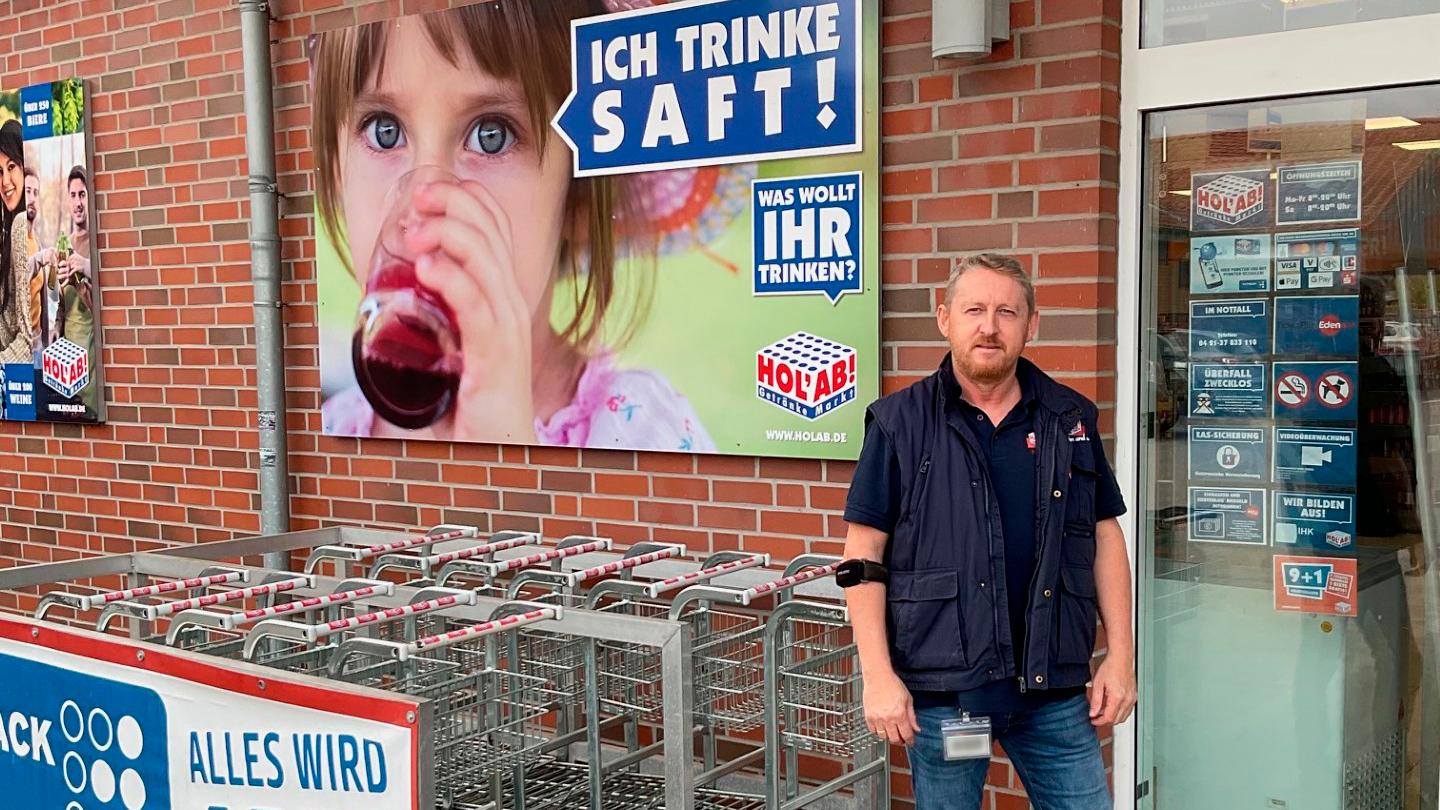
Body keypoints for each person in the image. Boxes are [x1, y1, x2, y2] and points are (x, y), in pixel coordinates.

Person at [312, 4, 712, 452]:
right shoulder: (331, 434)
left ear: (578, 196)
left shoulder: (641, 435)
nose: (425, 205)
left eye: (491, 134)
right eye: (385, 131)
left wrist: (505, 448)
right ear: (334, 171)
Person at [837, 254, 1135, 809]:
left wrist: (1121, 658)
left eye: (1007, 312)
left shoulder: (1069, 419)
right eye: (974, 309)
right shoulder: (899, 422)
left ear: (1031, 325)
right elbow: (863, 554)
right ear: (944, 317)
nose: (990, 327)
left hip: (1053, 691)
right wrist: (877, 676)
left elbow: (1104, 537)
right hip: (944, 692)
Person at [0, 120, 31, 366]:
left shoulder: (22, 225)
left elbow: (27, 340)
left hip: (17, 381)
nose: (5, 181)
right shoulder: (9, 225)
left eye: (11, 167)